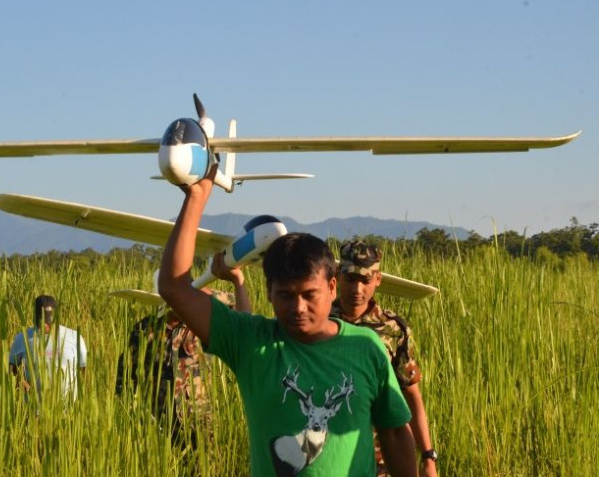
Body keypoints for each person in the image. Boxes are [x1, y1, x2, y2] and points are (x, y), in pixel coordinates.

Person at [157, 165, 417, 477]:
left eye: (310, 294)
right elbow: (173, 286)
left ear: (332, 287)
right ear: (268, 292)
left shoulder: (366, 346)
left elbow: (394, 431)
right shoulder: (251, 343)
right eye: (285, 295)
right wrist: (197, 198)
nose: (298, 307)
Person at [331, 240, 438, 477]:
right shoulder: (320, 321)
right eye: (350, 279)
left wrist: (428, 457)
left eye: (365, 281)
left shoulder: (393, 329)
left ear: (378, 279)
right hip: (328, 454)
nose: (357, 290)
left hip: (381, 459)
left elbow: (411, 395)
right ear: (338, 276)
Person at [115, 275, 250, 443]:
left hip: (199, 420)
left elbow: (239, 309)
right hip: (158, 423)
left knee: (204, 468)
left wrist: (202, 291)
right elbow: (126, 372)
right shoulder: (144, 329)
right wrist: (134, 411)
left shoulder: (200, 323)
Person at [8, 295, 88, 402]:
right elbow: (10, 368)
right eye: (42, 320)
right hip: (33, 410)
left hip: (68, 411)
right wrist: (21, 382)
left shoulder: (75, 337)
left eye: (49, 321)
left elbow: (84, 371)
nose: (45, 325)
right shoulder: (22, 339)